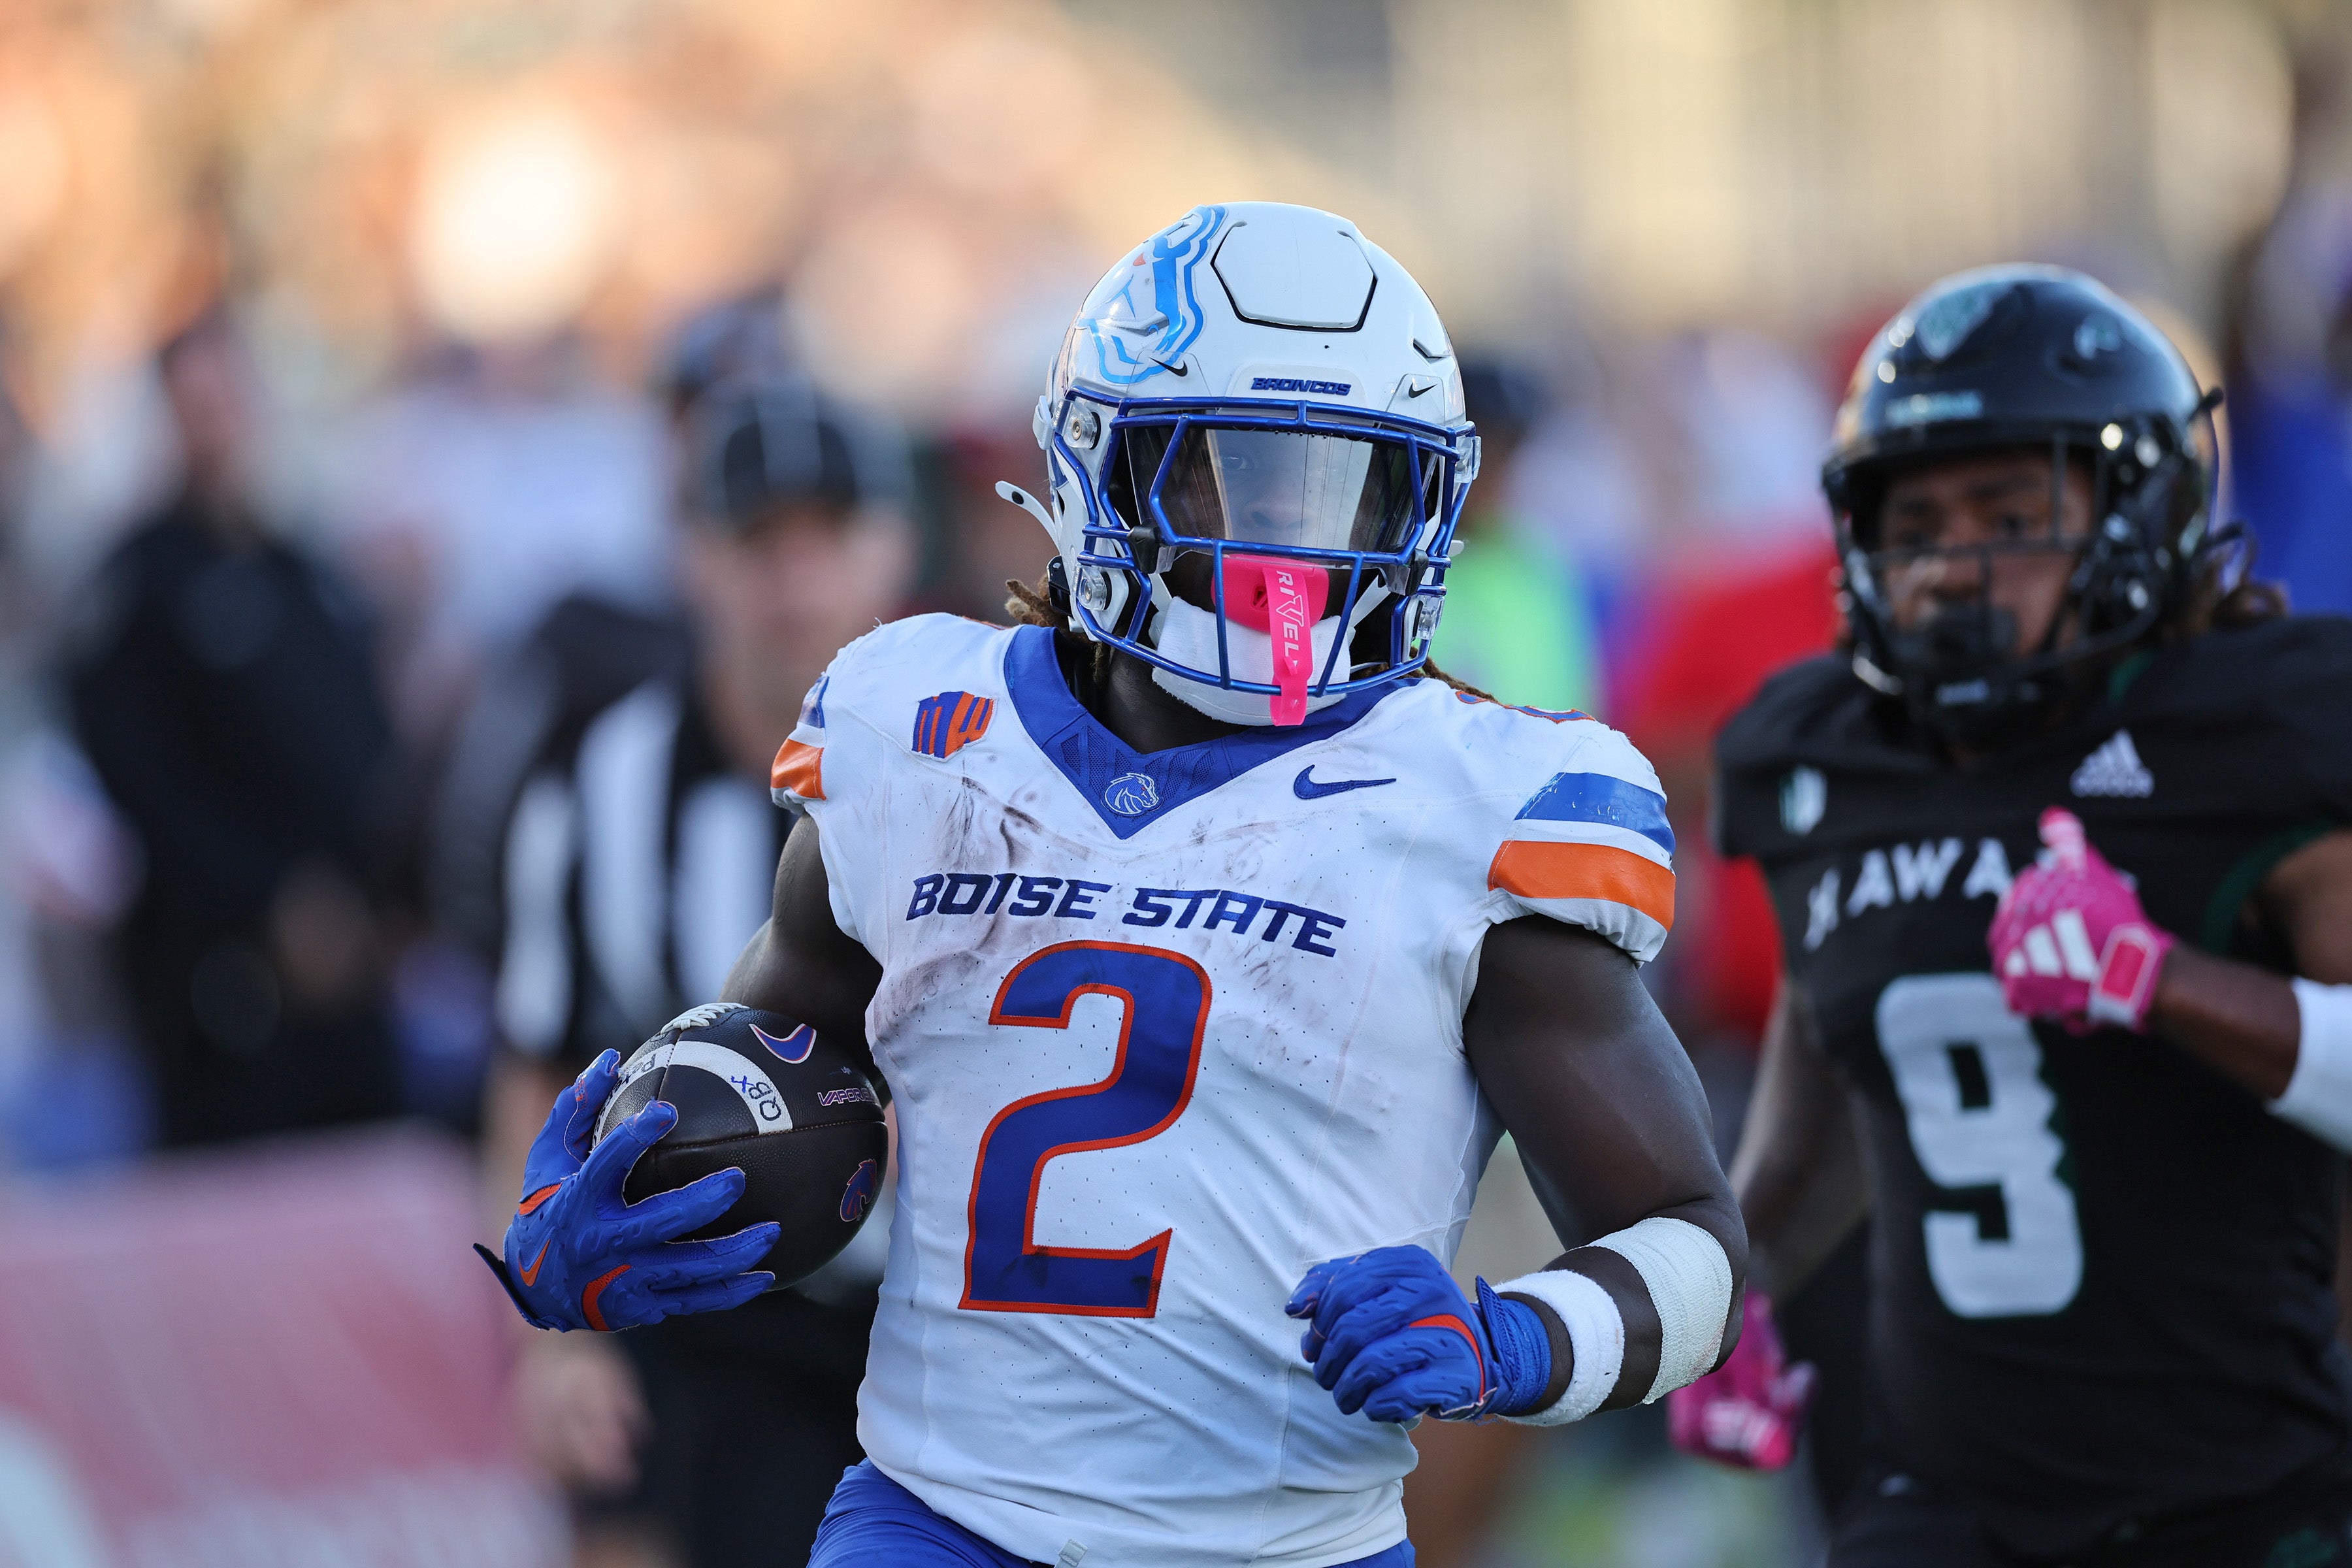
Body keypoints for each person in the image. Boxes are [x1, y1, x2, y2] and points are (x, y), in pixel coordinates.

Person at [478, 201, 1748, 1567]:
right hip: (939, 1519)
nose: (1298, 545)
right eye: (1242, 480)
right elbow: (770, 1079)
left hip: (1283, 1547)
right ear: (1102, 469)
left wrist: (1518, 1340)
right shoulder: (916, 734)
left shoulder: (1482, 801)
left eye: (1348, 486)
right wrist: (638, 1195)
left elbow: (1689, 1242)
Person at [1675, 264, 2352, 1566]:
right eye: (1915, 522)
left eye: (2009, 511)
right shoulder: (1820, 758)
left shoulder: (2264, 730)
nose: (1953, 568)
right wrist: (1732, 1301)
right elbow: (1825, 1114)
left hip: (2247, 1496)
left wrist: (2163, 981)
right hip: (1942, 1502)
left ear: (2138, 510)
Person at [476, 367, 915, 1567]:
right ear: (694, 558)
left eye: (828, 535)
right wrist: (550, 1336)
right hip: (703, 1319)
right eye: (759, 541)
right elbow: (536, 1069)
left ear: (892, 545)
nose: (796, 581)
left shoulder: (982, 785)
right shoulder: (601, 784)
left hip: (939, 1328)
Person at [61, 304, 400, 1147]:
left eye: (228, 401)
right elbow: (142, 781)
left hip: (353, 964)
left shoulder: (301, 568)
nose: (215, 428)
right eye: (193, 407)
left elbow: (365, 739)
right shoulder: (138, 584)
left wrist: (375, 901)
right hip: (216, 972)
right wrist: (272, 901)